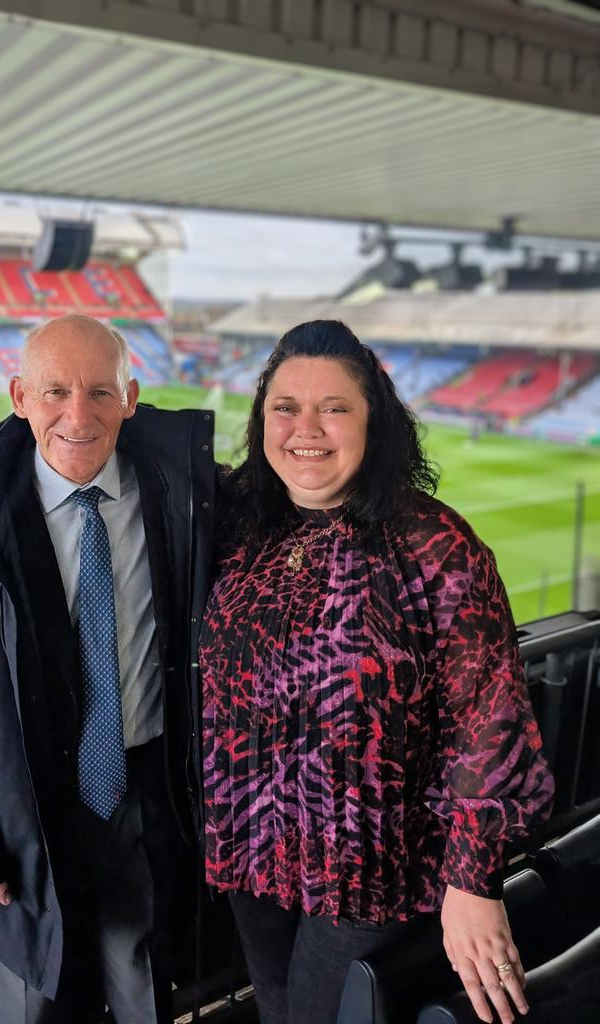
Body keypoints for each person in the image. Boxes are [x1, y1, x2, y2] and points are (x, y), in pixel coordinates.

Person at [199, 320, 554, 1024]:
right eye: (285, 407)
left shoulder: (435, 546)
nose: (307, 428)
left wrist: (473, 882)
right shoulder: (238, 524)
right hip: (254, 855)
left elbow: (491, 720)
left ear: (374, 420)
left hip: (369, 873)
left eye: (334, 407)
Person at [0, 314, 214, 1023]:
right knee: (40, 1002)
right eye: (55, 391)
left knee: (143, 995)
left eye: (101, 392)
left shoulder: (187, 498)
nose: (78, 414)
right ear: (18, 396)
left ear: (132, 397)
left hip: (146, 800)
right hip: (22, 818)